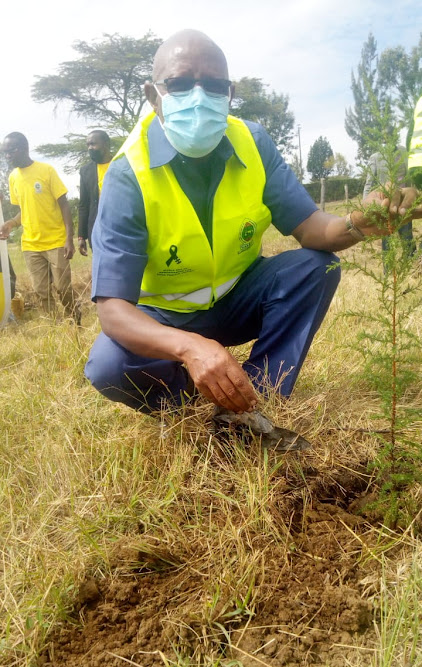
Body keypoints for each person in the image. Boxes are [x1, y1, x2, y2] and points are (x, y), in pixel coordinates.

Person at [85, 29, 421, 418]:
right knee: (109, 365)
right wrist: (190, 347)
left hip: (237, 300)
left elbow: (311, 226)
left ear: (229, 94)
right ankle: (195, 405)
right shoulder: (129, 173)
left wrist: (358, 223)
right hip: (165, 315)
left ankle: (256, 400)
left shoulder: (253, 143)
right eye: (179, 84)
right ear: (152, 95)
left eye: (213, 85)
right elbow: (113, 310)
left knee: (315, 266)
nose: (198, 97)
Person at [0, 132, 80, 323]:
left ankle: (73, 320)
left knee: (63, 288)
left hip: (56, 241)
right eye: (5, 153)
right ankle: (54, 328)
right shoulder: (13, 178)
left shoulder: (46, 170)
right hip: (30, 245)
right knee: (41, 291)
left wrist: (69, 239)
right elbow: (24, 211)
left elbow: (64, 205)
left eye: (10, 151)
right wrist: (11, 223)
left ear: (23, 148)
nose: (7, 156)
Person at [363, 139, 415, 268]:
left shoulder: (404, 151)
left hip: (404, 204)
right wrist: (364, 206)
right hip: (385, 205)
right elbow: (369, 183)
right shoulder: (375, 157)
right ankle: (389, 271)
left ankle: (412, 268)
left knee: (407, 238)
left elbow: (410, 176)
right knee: (387, 239)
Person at [78, 130, 112, 255]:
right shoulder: (86, 171)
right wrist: (82, 236)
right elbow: (84, 204)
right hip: (97, 230)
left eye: (93, 144)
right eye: (88, 145)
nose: (90, 148)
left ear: (106, 144)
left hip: (120, 226)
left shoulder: (121, 164)